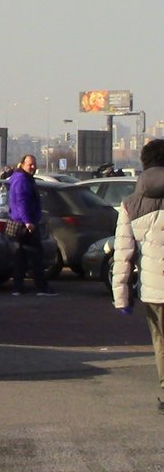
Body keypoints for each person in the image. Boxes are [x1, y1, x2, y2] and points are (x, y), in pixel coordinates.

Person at [111, 138, 164, 415]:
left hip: (154, 290)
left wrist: (121, 297)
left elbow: (123, 254)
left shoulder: (131, 204)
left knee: (160, 340)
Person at [8, 154, 56, 296]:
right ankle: (42, 287)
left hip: (23, 222)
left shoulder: (23, 178)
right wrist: (28, 221)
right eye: (30, 164)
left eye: (34, 164)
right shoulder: (22, 180)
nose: (33, 167)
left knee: (21, 257)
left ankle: (17, 288)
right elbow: (21, 202)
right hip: (25, 225)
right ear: (22, 165)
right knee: (36, 256)